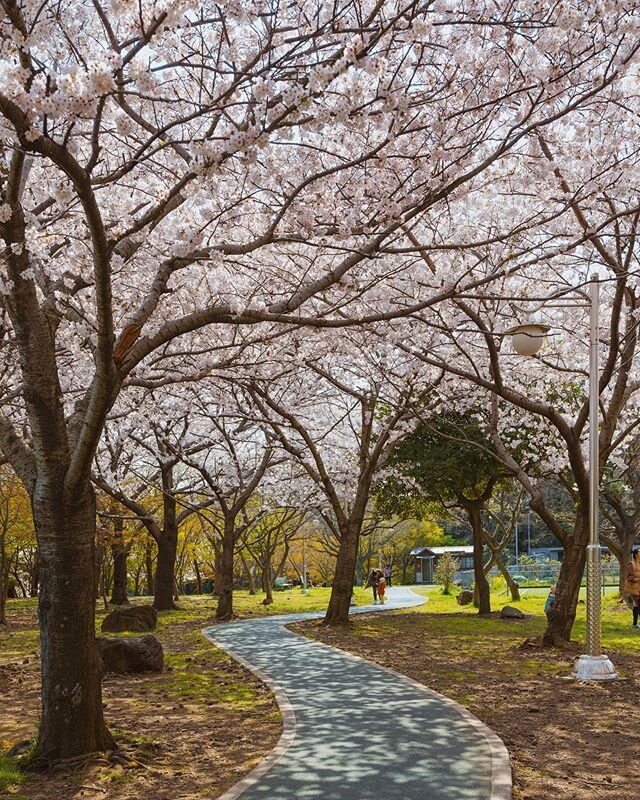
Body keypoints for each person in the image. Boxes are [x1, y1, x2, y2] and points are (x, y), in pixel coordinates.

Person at [624, 548, 640, 627]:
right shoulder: (632, 564)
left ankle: (635, 623)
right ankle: (635, 623)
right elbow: (630, 577)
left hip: (639, 587)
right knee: (638, 603)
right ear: (636, 554)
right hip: (634, 588)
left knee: (637, 604)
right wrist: (636, 579)